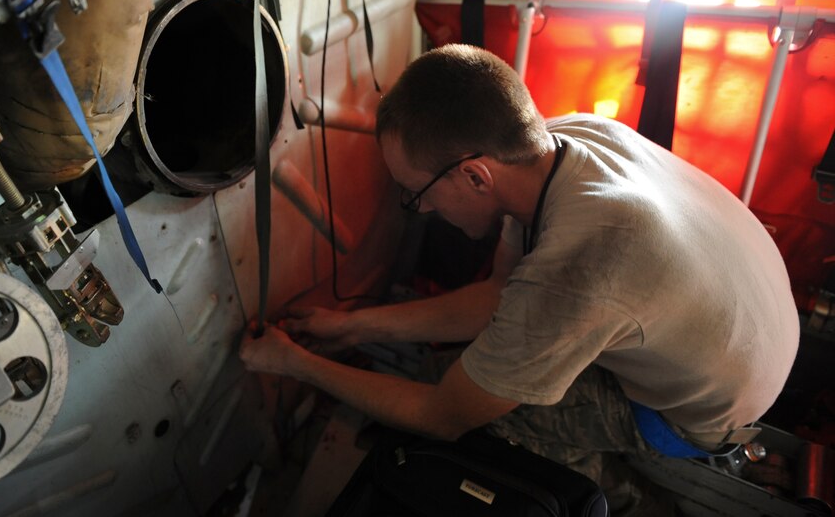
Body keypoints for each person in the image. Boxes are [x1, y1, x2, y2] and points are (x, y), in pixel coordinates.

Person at [239, 44, 799, 509]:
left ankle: (625, 498)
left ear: (475, 176)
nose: (424, 209)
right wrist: (352, 327)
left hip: (694, 414)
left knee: (489, 424)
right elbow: (497, 298)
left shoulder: (580, 265)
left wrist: (297, 364)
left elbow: (443, 414)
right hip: (750, 339)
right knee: (467, 368)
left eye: (417, 194)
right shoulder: (564, 142)